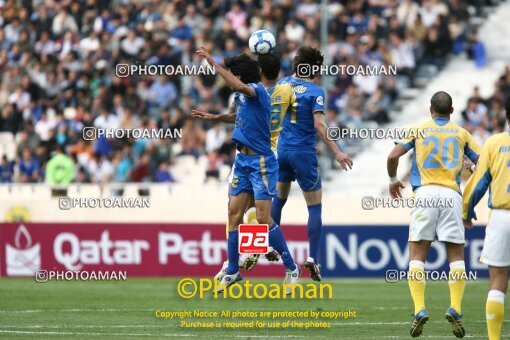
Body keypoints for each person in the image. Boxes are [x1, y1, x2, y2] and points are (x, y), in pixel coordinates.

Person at [195, 48, 300, 292]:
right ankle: (233, 270)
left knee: (263, 219)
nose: (231, 80)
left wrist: (213, 62)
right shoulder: (240, 98)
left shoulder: (259, 92)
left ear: (240, 77)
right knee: (233, 215)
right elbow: (235, 117)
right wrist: (214, 117)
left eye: (233, 76)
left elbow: (242, 88)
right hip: (242, 160)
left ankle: (291, 267)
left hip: (262, 162)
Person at [387, 91, 481, 337]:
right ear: (452, 111)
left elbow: (392, 155)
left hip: (425, 194)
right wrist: (470, 169)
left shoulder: (418, 130)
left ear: (430, 109)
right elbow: (483, 164)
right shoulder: (463, 133)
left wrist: (392, 181)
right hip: (452, 195)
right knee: (456, 255)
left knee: (418, 254)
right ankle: (456, 308)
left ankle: (419, 308)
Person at [270, 46, 353, 282]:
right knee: (314, 207)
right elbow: (319, 125)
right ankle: (313, 258)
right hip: (303, 154)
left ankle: (274, 246)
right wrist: (337, 152)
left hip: (282, 151)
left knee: (279, 200)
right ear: (315, 70)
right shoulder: (316, 91)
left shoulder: (282, 84)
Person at [462, 98, 510, 340]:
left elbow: (478, 183)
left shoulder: (494, 143)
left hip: (501, 217)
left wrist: (466, 213)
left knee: (497, 282)